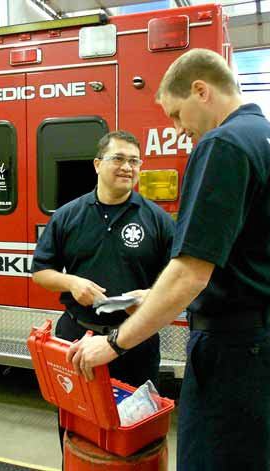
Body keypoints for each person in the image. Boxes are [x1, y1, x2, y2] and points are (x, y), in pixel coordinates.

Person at [67, 49, 270, 471]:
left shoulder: (223, 144)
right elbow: (252, 254)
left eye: (177, 114)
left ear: (201, 90)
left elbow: (189, 274)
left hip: (237, 351)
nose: (179, 130)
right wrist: (153, 295)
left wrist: (113, 343)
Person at [31, 130, 175, 446]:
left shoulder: (157, 220)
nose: (128, 167)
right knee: (77, 430)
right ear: (97, 165)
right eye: (119, 159)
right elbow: (40, 272)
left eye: (135, 161)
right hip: (77, 340)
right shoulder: (69, 215)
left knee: (135, 430)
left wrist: (151, 296)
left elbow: (177, 281)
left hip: (135, 342)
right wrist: (71, 282)